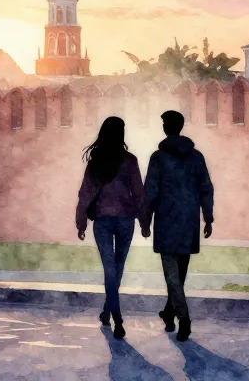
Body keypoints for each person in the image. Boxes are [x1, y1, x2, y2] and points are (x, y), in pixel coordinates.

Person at [142, 110, 213, 343]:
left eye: (164, 123)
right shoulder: (196, 157)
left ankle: (184, 319)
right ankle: (168, 312)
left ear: (166, 127)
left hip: (166, 221)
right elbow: (206, 188)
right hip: (189, 222)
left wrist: (145, 219)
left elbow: (151, 191)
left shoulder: (158, 158)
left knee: (173, 276)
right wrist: (208, 217)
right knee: (178, 275)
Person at [75, 116, 145, 341]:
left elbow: (85, 194)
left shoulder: (96, 161)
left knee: (110, 269)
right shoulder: (130, 161)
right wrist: (144, 221)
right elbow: (139, 193)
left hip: (102, 221)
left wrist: (81, 222)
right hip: (125, 220)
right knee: (117, 268)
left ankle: (110, 313)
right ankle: (117, 318)